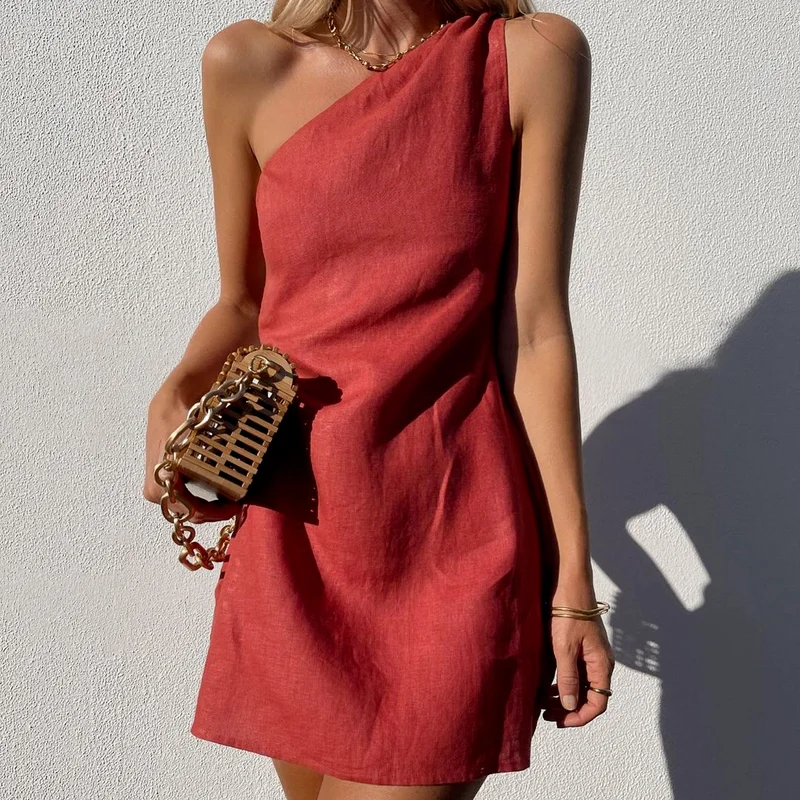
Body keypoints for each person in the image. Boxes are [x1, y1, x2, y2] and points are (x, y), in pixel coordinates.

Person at [143, 0, 615, 798]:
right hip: (297, 533)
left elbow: (533, 332)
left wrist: (571, 585)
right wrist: (178, 388)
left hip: (450, 533)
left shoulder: (531, 57)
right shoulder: (246, 64)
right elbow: (244, 302)